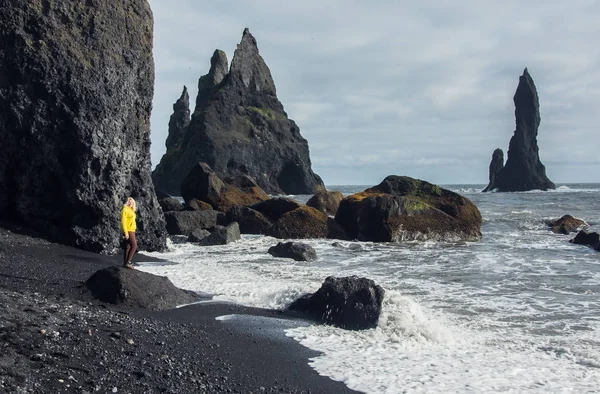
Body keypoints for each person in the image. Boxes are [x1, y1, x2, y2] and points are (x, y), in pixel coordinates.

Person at [120, 197, 137, 269]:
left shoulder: (131, 210)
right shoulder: (125, 210)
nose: (131, 203)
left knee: (128, 246)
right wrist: (125, 232)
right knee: (134, 246)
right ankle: (128, 262)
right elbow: (123, 222)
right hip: (128, 230)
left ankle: (125, 263)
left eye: (132, 202)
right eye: (129, 202)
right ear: (127, 202)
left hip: (132, 230)